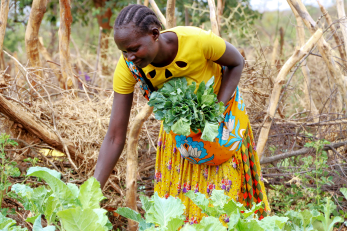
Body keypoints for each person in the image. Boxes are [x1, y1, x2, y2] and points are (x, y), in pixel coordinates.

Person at [94, 4, 270, 223]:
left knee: (221, 212)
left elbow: (236, 62)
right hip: (180, 142)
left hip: (222, 129)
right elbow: (114, 135)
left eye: (134, 48)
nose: (129, 56)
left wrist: (216, 112)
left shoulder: (195, 41)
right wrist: (90, 195)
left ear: (155, 34)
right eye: (123, 51)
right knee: (177, 215)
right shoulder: (128, 68)